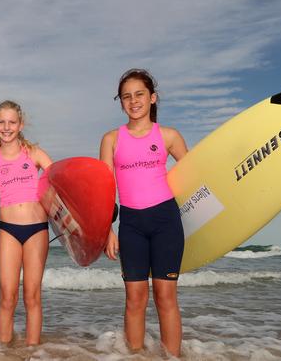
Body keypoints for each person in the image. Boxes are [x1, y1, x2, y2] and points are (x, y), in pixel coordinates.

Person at [100, 69, 188, 357]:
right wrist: (106, 230)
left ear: (152, 98)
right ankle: (136, 355)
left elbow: (194, 177)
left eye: (139, 94)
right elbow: (104, 190)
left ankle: (172, 357)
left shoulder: (169, 136)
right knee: (135, 299)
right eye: (126, 96)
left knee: (166, 297)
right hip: (132, 224)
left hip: (166, 222)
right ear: (121, 102)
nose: (133, 101)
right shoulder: (111, 139)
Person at [0, 100, 53, 345]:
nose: (6, 127)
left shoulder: (34, 153)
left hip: (37, 230)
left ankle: (33, 352)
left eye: (12, 122)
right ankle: (2, 352)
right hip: (8, 231)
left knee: (32, 296)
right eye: (2, 122)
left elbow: (60, 184)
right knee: (7, 297)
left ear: (20, 125)